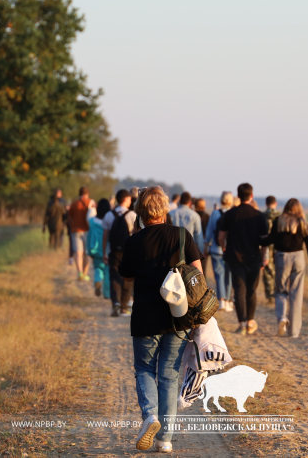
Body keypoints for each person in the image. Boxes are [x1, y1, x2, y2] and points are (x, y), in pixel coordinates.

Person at [118, 186, 204, 453]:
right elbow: (198, 275)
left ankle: (150, 416)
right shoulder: (181, 235)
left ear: (141, 212)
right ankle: (164, 440)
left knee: (144, 370)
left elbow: (127, 276)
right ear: (165, 208)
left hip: (145, 317)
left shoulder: (135, 241)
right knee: (169, 375)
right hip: (178, 317)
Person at [261, 198, 308, 338]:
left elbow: (269, 240)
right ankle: (293, 331)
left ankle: (282, 318)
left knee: (280, 290)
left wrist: (257, 240)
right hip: (298, 258)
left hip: (282, 258)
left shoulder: (279, 221)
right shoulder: (302, 223)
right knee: (296, 295)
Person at [218, 183, 268, 335]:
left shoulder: (230, 214)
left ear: (238, 196)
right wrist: (264, 256)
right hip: (254, 258)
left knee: (239, 290)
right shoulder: (259, 216)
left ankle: (242, 324)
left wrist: (224, 247)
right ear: (251, 195)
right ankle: (251, 321)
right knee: (251, 290)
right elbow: (264, 241)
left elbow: (221, 236)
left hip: (234, 257)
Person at [103, 189, 137, 316]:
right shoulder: (132, 215)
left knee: (114, 276)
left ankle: (115, 303)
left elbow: (105, 236)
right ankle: (124, 306)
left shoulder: (109, 215)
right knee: (128, 279)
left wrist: (104, 252)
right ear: (126, 199)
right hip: (128, 252)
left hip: (114, 251)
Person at [204, 191, 234, 313]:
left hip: (216, 249)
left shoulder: (215, 213)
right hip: (230, 249)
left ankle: (221, 300)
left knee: (219, 275)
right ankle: (227, 300)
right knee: (229, 276)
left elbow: (210, 231)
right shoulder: (233, 214)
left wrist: (206, 245)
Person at [168, 192, 204, 261]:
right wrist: (200, 252)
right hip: (189, 249)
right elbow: (198, 236)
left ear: (180, 201)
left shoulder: (170, 214)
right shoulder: (195, 216)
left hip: (172, 249)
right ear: (190, 202)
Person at [87, 198, 112, 299]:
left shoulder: (92, 221)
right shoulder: (110, 221)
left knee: (97, 269)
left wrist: (89, 251)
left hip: (96, 250)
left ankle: (97, 281)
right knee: (107, 272)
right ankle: (107, 294)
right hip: (107, 251)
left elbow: (89, 237)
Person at [68, 187, 93, 281]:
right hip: (88, 231)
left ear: (79, 193)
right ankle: (85, 273)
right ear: (88, 193)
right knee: (86, 253)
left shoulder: (74, 203)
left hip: (76, 230)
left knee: (78, 253)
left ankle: (79, 273)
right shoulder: (91, 202)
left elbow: (69, 218)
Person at [262, 196, 281, 304]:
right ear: (276, 203)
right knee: (279, 270)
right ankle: (279, 293)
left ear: (266, 203)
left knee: (268, 271)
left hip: (266, 245)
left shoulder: (262, 216)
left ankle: (270, 296)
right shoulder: (280, 216)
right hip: (278, 246)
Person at [194, 198, 211, 274]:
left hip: (193, 243)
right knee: (203, 269)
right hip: (203, 244)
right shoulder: (207, 216)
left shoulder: (194, 214)